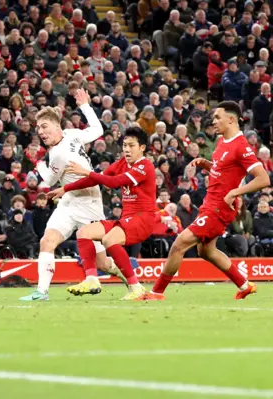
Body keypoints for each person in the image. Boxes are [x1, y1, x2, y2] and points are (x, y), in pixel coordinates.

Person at [143, 101, 269, 301]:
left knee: (179, 244)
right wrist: (206, 164)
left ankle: (156, 293)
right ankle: (245, 285)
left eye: (218, 117)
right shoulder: (221, 142)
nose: (214, 121)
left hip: (219, 207)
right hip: (210, 203)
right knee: (206, 250)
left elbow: (263, 179)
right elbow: (223, 171)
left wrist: (235, 192)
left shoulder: (241, 146)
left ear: (231, 119)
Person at [20, 89, 126, 302]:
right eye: (38, 128)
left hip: (89, 202)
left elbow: (48, 181)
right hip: (68, 202)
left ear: (57, 125)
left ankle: (131, 282)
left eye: (44, 126)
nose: (40, 132)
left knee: (103, 263)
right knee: (47, 241)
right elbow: (97, 129)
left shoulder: (58, 153)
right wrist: (85, 105)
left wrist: (38, 163)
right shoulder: (70, 134)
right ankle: (41, 292)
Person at [48, 127, 157, 300]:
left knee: (108, 240)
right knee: (84, 232)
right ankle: (91, 279)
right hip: (127, 219)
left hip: (143, 219)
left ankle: (135, 286)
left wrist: (86, 171)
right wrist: (65, 188)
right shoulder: (122, 163)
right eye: (124, 145)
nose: (127, 149)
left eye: (131, 145)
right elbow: (95, 179)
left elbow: (114, 182)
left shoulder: (145, 166)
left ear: (142, 147)